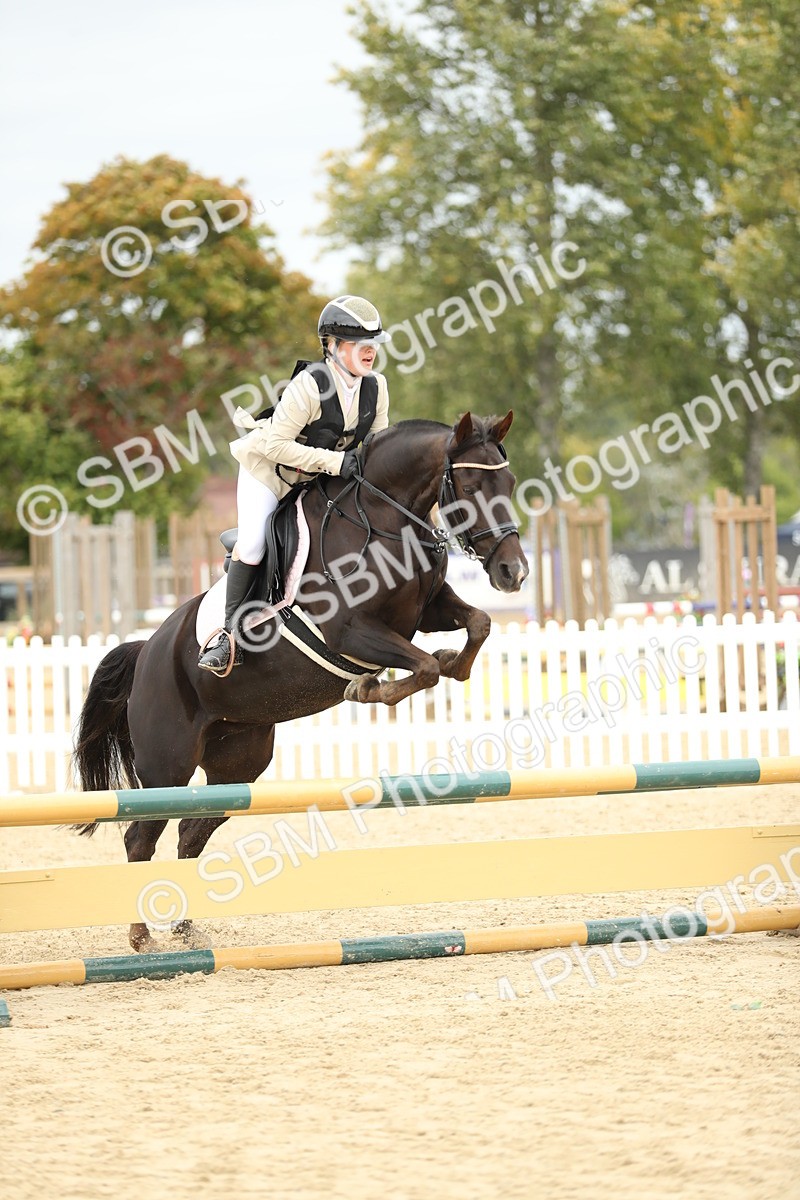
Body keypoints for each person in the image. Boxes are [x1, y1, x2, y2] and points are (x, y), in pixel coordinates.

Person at [198, 295, 391, 674]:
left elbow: (378, 446)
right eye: (358, 344)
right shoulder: (309, 385)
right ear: (333, 348)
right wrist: (337, 462)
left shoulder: (377, 387)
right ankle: (227, 635)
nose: (370, 351)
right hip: (269, 474)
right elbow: (274, 445)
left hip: (317, 481)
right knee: (254, 543)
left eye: (373, 343)